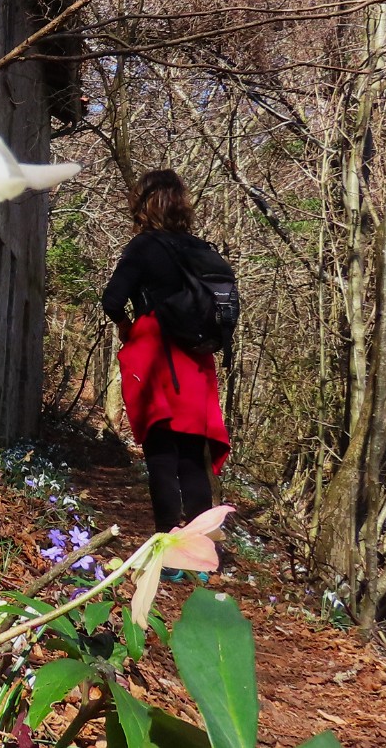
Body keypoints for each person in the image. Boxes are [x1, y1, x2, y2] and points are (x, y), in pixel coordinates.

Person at [101, 169, 231, 534]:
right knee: (192, 457)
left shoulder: (144, 246)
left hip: (156, 359)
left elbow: (112, 300)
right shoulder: (201, 250)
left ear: (143, 205)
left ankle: (168, 549)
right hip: (196, 361)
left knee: (161, 453)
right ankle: (201, 550)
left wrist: (126, 324)